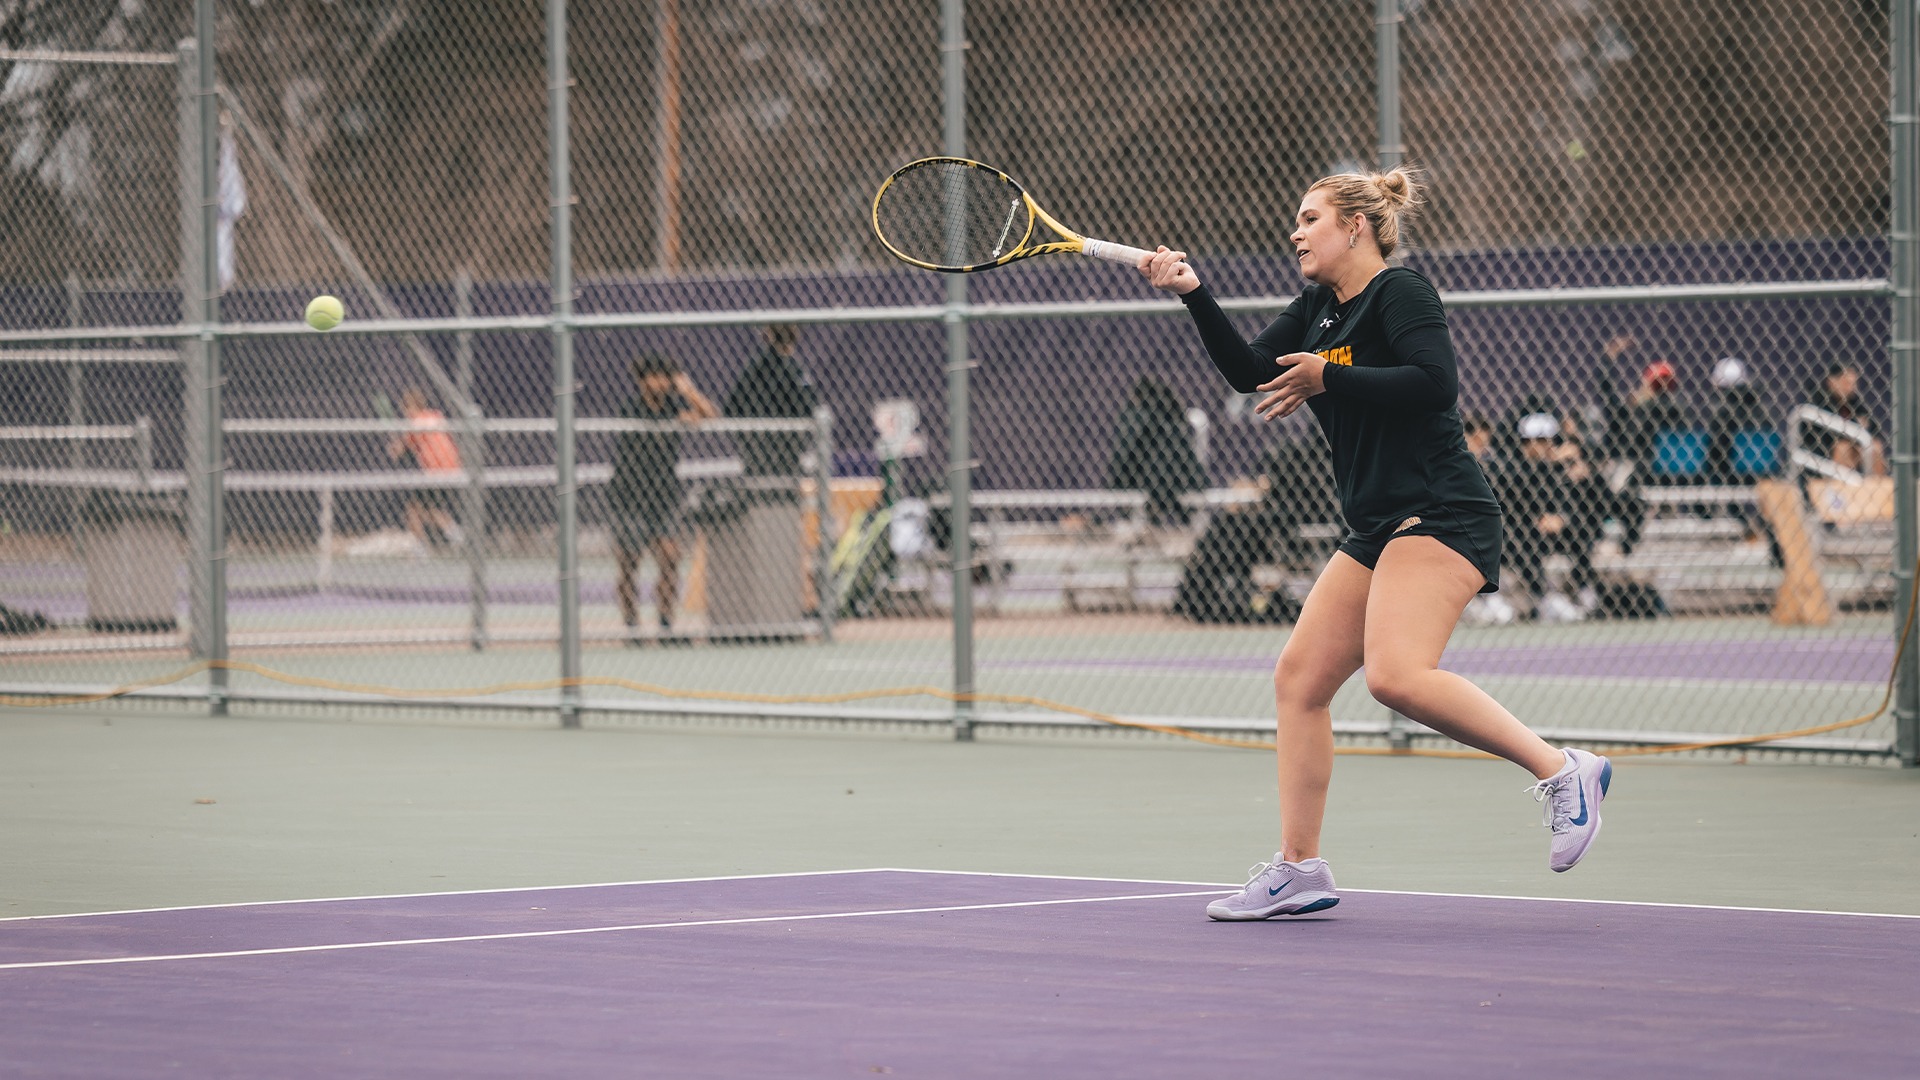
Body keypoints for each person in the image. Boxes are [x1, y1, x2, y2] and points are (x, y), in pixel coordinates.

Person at [1138, 167, 1612, 922]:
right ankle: (1298, 870)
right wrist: (1194, 290)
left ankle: (1564, 772)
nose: (1295, 232)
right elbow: (1247, 372)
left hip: (1443, 511)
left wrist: (1333, 378)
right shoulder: (1318, 308)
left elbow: (1435, 384)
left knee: (1395, 676)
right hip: (1375, 525)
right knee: (1299, 680)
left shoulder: (1402, 293)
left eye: (1309, 218)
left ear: (1355, 226)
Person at [609, 353, 718, 641]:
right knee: (629, 562)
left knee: (670, 557)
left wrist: (688, 390)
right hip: (630, 496)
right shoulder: (631, 411)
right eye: (653, 377)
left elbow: (709, 415)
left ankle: (666, 625)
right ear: (642, 381)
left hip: (663, 497)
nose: (659, 383)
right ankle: (632, 626)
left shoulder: (673, 409)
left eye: (664, 377)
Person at [1496, 412, 1604, 621]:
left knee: (1580, 534)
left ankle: (1584, 591)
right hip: (1520, 532)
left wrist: (1562, 517)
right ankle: (1543, 598)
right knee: (1524, 540)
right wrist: (1538, 517)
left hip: (1553, 531)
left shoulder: (1561, 469)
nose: (1538, 446)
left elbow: (1589, 503)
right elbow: (1516, 505)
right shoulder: (1512, 469)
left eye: (1544, 440)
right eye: (1532, 441)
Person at [1107, 376, 1207, 526]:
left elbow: (1121, 458)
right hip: (1179, 482)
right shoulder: (1173, 418)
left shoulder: (1135, 416)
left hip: (1148, 482)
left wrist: (1116, 484)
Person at [724, 324, 819, 478]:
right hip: (789, 455)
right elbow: (812, 407)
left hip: (755, 455)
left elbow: (731, 406)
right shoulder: (794, 370)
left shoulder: (754, 368)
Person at [387, 387, 463, 550]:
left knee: (413, 510)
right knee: (429, 509)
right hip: (454, 468)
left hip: (435, 471)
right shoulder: (436, 416)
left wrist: (394, 446)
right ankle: (454, 533)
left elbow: (397, 451)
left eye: (406, 409)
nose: (405, 413)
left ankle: (420, 548)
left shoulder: (416, 422)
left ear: (412, 407)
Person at [1800, 361, 1886, 477]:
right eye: (1846, 383)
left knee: (1875, 447)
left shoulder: (1854, 403)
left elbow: (1874, 429)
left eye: (1853, 383)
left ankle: (1876, 487)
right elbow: (1828, 437)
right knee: (1843, 448)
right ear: (1832, 382)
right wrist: (1855, 433)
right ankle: (1841, 490)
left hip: (1853, 446)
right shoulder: (1819, 402)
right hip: (1823, 454)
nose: (1851, 388)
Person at [1703, 358, 1777, 485]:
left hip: (1727, 470)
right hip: (1759, 471)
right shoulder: (1759, 407)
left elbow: (1715, 448)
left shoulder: (1723, 412)